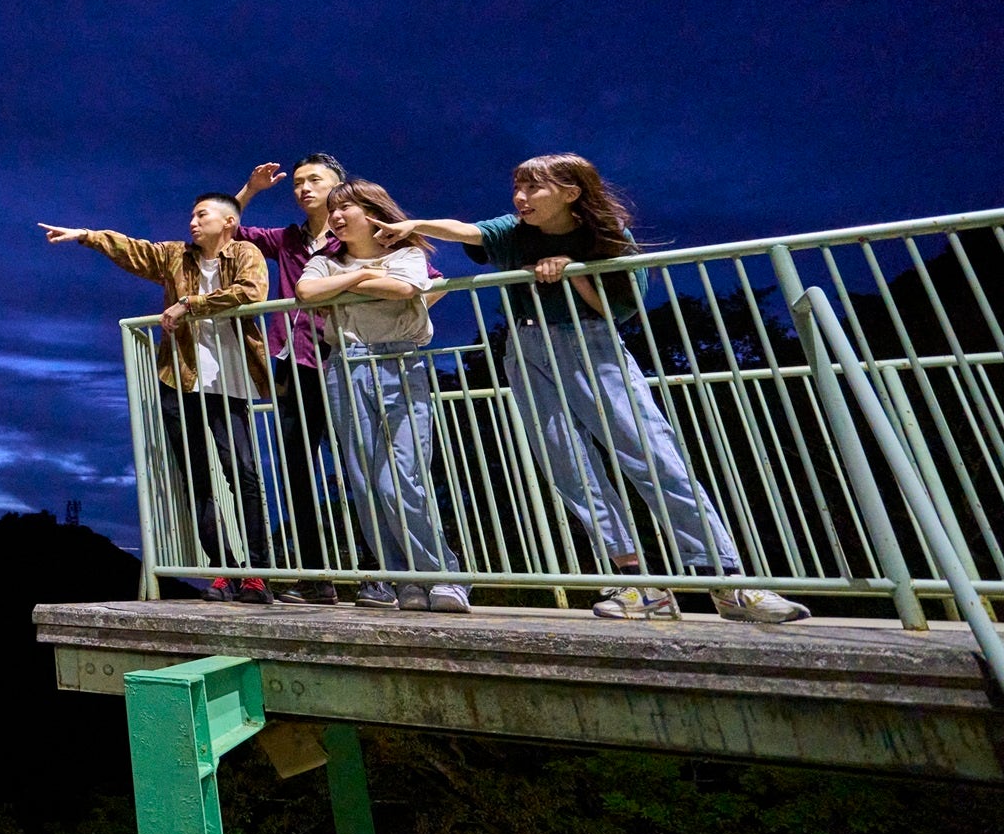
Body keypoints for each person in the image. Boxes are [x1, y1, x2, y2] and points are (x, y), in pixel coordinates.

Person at [386, 153, 811, 624]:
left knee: (651, 454)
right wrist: (414, 225)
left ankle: (727, 580)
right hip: (527, 347)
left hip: (592, 345)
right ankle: (633, 583)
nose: (521, 198)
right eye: (518, 188)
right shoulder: (513, 230)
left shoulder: (607, 238)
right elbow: (467, 230)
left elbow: (616, 309)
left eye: (534, 188)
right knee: (568, 465)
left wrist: (575, 269)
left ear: (570, 193)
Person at [40, 195, 273, 600]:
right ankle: (224, 570)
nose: (193, 222)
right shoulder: (174, 256)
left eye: (202, 214)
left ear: (229, 222)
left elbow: (251, 292)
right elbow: (133, 250)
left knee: (244, 475)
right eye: (191, 215)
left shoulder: (246, 253)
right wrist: (86, 236)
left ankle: (256, 573)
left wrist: (189, 304)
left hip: (230, 383)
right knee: (198, 480)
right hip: (179, 381)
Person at [296, 180, 468, 613]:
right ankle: (404, 579)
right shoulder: (325, 260)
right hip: (345, 365)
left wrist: (346, 286)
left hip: (399, 362)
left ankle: (443, 575)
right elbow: (306, 292)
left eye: (345, 207)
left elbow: (406, 289)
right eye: (332, 210)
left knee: (400, 475)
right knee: (365, 480)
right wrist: (362, 275)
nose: (335, 216)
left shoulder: (406, 254)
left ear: (373, 210)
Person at [234, 154, 373, 605]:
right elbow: (227, 231)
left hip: (346, 359)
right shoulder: (288, 238)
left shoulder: (357, 230)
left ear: (340, 184)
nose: (303, 188)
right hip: (292, 364)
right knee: (297, 466)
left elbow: (422, 276)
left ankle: (380, 572)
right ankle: (317, 576)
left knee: (362, 464)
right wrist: (251, 191)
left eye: (315, 179)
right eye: (297, 182)